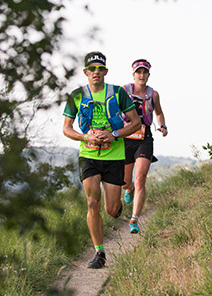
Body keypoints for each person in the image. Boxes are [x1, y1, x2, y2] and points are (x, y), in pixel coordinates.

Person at [62, 51, 142, 269]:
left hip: (114, 155)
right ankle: (99, 253)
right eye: (92, 69)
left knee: (111, 209)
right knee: (92, 203)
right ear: (85, 72)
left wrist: (114, 134)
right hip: (88, 155)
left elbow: (136, 123)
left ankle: (119, 204)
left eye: (100, 68)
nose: (96, 72)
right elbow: (66, 129)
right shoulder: (77, 95)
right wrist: (85, 136)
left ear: (105, 71)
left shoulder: (117, 93)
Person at [121, 59, 167, 234]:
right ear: (133, 74)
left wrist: (162, 125)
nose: (141, 75)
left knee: (141, 179)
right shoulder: (123, 91)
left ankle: (134, 219)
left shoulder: (153, 94)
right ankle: (129, 187)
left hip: (144, 138)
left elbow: (159, 112)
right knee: (125, 182)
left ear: (148, 74)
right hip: (126, 137)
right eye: (138, 72)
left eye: (144, 72)